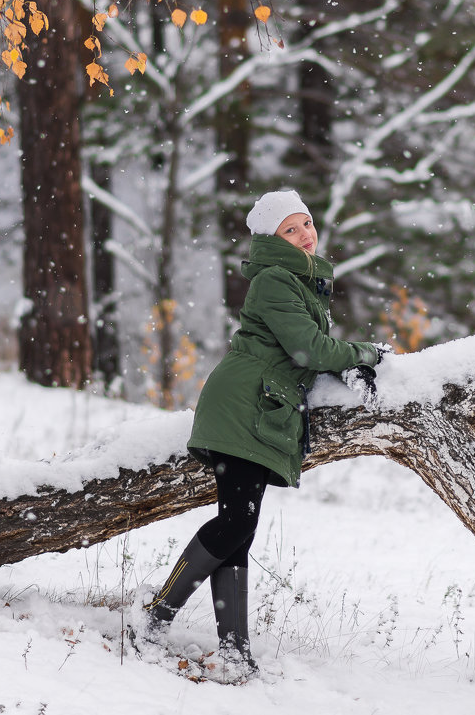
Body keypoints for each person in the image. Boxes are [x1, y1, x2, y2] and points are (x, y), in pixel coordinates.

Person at [134, 189, 383, 681]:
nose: (305, 234)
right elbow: (308, 350)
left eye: (306, 223)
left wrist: (348, 366)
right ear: (273, 239)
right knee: (235, 525)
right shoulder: (274, 279)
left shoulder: (301, 281)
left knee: (239, 531)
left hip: (260, 407)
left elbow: (305, 352)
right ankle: (156, 614)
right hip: (241, 406)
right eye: (291, 230)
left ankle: (233, 649)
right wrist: (365, 354)